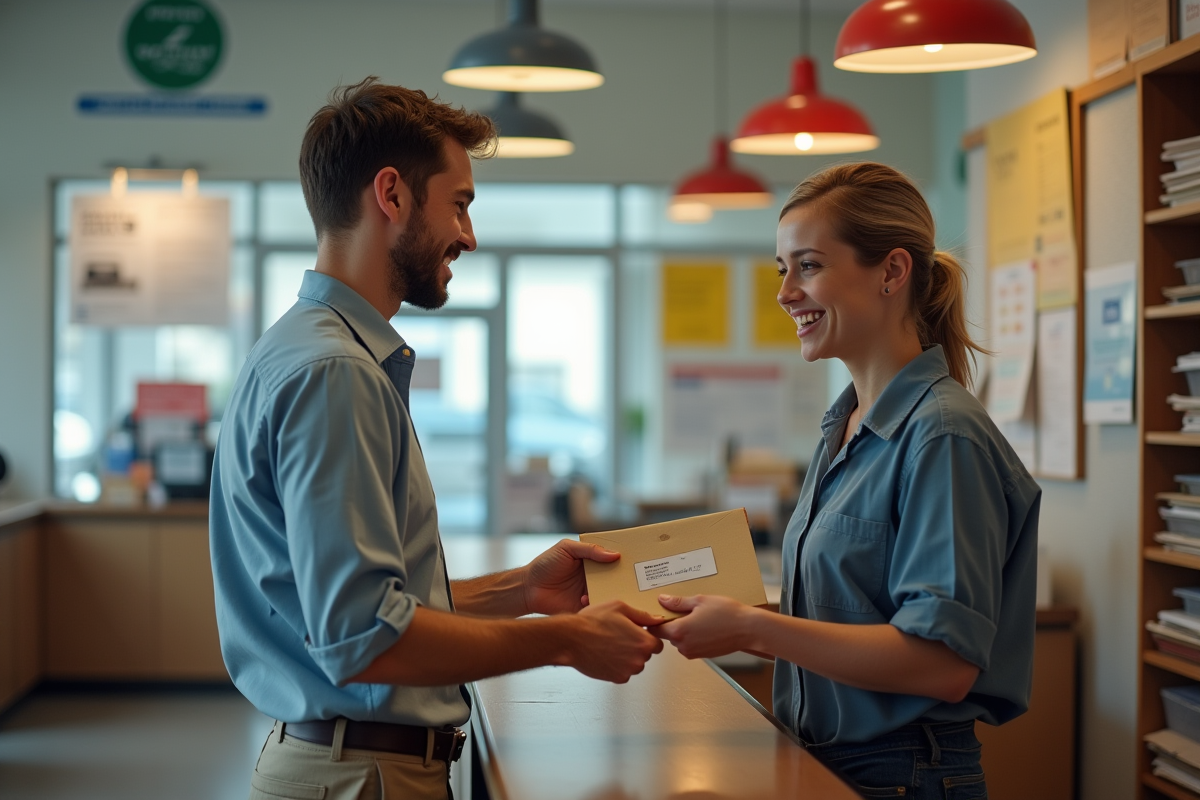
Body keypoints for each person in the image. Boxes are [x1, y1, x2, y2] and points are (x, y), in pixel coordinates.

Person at [209, 77, 664, 800]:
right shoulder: (337, 372)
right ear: (391, 195)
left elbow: (373, 606)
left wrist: (523, 590)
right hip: (364, 775)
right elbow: (362, 636)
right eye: (460, 204)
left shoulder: (307, 348)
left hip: (349, 765)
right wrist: (568, 640)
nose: (469, 236)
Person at [655, 162, 1040, 799]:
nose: (784, 293)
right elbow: (858, 617)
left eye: (807, 265)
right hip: (827, 759)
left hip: (904, 774)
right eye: (784, 270)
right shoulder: (846, 425)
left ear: (892, 271)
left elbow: (943, 663)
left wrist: (754, 630)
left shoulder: (943, 434)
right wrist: (724, 615)